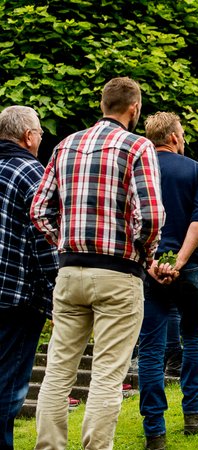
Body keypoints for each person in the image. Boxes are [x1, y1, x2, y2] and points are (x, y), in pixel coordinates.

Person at [31, 77, 166, 450]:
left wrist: (64, 242)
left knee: (58, 372)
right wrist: (144, 251)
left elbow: (40, 210)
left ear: (102, 104)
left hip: (69, 271)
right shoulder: (137, 146)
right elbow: (152, 216)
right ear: (134, 109)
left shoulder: (64, 145)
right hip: (118, 273)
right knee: (107, 375)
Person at [137, 112, 198, 449]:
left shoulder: (137, 169)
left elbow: (130, 220)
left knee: (150, 350)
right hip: (192, 267)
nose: (183, 140)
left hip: (148, 268)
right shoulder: (196, 170)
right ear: (172, 137)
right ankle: (194, 413)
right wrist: (179, 262)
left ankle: (155, 431)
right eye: (181, 134)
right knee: (195, 335)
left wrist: (153, 262)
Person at [0, 106, 59, 450]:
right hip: (14, 301)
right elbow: (45, 241)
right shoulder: (32, 172)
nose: (41, 139)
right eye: (39, 133)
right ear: (28, 136)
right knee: (7, 390)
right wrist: (56, 301)